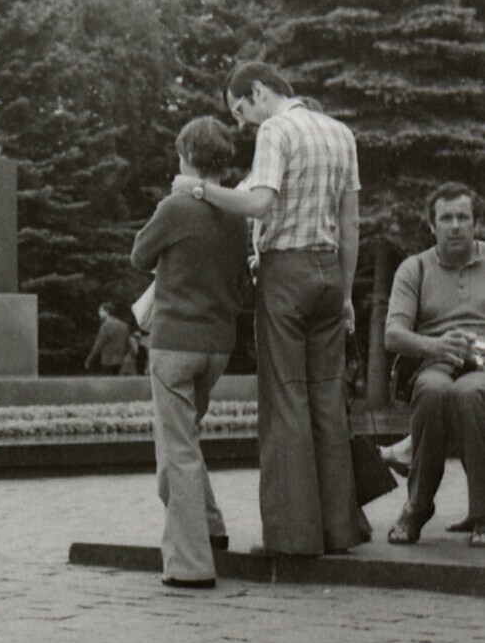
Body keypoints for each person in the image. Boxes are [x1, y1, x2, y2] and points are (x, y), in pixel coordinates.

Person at [174, 61, 360, 556]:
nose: (242, 123)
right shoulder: (341, 133)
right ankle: (339, 530)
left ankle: (292, 537)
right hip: (327, 274)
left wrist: (197, 189)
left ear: (258, 91)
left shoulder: (276, 131)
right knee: (325, 398)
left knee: (284, 404)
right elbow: (351, 224)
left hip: (285, 275)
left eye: (240, 109)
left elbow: (258, 204)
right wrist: (343, 294)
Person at [132, 116, 250, 588]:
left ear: (185, 158)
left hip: (174, 344)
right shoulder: (237, 215)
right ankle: (212, 527)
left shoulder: (176, 207)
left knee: (175, 452)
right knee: (184, 443)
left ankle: (189, 564)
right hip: (216, 347)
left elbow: (140, 255)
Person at [384, 183, 485, 547]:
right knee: (432, 390)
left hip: (483, 366)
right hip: (435, 360)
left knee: (471, 393)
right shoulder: (415, 268)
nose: (455, 225)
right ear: (432, 226)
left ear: (476, 223)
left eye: (463, 217)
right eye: (446, 218)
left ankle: (483, 514)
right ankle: (417, 505)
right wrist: (434, 345)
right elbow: (393, 334)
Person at [84, 303, 132, 375]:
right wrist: (122, 354)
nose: (99, 313)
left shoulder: (105, 326)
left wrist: (89, 359)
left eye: (101, 311)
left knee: (107, 383)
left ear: (107, 311)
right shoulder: (124, 325)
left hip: (107, 360)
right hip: (120, 360)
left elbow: (98, 345)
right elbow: (128, 345)